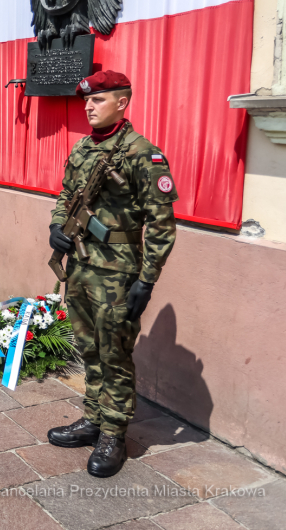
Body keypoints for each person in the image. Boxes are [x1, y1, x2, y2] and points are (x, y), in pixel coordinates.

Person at [46, 70, 177, 478]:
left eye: (98, 100)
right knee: (89, 348)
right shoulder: (84, 148)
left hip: (119, 271)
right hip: (82, 265)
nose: (88, 106)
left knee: (115, 353)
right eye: (86, 100)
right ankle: (93, 418)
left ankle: (114, 434)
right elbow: (66, 194)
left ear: (122, 102)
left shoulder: (143, 154)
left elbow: (161, 222)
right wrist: (56, 225)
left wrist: (148, 279)